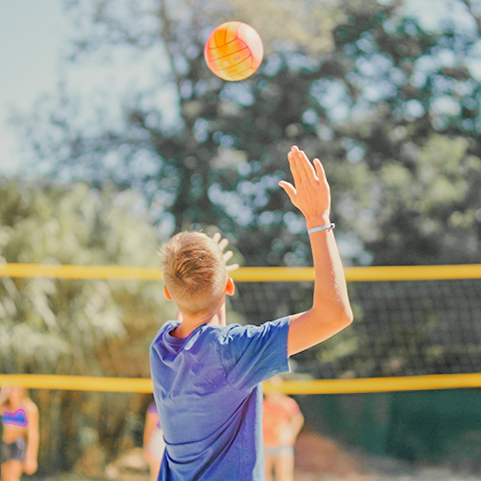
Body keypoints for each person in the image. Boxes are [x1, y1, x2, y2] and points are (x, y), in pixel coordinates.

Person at [150, 145, 353, 481]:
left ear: (169, 293)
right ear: (230, 285)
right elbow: (335, 315)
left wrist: (208, 269)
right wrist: (318, 220)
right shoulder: (235, 350)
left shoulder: (161, 348)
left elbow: (193, 295)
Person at [263, 376, 304, 481]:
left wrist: (291, 434)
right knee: (264, 476)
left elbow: (298, 419)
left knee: (284, 477)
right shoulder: (262, 404)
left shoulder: (287, 403)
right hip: (265, 445)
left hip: (282, 445)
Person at [0, 385, 39, 481]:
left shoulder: (29, 408)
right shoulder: (5, 406)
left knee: (13, 478)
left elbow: (33, 434)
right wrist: (3, 395)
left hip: (18, 445)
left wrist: (31, 457)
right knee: (5, 478)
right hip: (5, 445)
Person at [143, 401, 165, 481]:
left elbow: (149, 429)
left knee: (156, 471)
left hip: (159, 439)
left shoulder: (155, 407)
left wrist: (146, 447)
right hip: (162, 439)